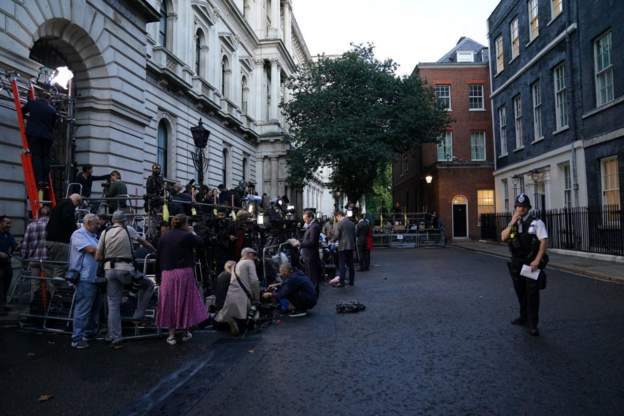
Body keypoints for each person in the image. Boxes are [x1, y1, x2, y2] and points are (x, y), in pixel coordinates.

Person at [96, 211, 155, 345]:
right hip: (126, 270)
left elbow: (98, 256)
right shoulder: (128, 229)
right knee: (148, 285)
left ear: (112, 221)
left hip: (109, 271)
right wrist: (155, 251)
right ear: (124, 221)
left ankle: (115, 336)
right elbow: (145, 244)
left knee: (113, 305)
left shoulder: (105, 232)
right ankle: (138, 314)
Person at [501, 193, 549, 337]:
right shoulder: (514, 223)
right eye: (518, 206)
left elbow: (544, 241)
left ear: (528, 208)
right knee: (520, 291)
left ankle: (533, 324)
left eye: (523, 206)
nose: (520, 209)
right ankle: (523, 317)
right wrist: (512, 222)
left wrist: (537, 260)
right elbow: (503, 237)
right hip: (517, 263)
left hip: (530, 263)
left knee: (532, 294)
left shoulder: (536, 223)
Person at [156, 214, 208, 345]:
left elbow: (158, 257)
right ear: (185, 223)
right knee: (185, 301)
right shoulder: (187, 235)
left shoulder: (164, 237)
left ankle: (171, 335)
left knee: (170, 303)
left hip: (167, 273)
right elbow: (201, 243)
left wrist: (158, 276)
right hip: (184, 272)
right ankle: (185, 331)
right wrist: (192, 232)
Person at [68, 214, 102, 349]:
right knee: (82, 308)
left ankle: (88, 334)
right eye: (96, 224)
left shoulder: (93, 236)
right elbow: (91, 250)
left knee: (94, 308)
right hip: (84, 277)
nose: (98, 226)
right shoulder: (78, 234)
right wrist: (104, 251)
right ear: (88, 223)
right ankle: (77, 338)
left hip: (94, 277)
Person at [215, 248, 260, 336]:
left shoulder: (236, 265)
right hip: (243, 299)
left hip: (230, 299)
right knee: (253, 317)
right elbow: (254, 281)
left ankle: (231, 321)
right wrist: (257, 297)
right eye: (253, 254)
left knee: (236, 319)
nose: (255, 257)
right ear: (247, 254)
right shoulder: (249, 262)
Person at [22, 92, 58, 188]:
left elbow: (21, 111)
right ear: (48, 99)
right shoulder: (52, 110)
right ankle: (45, 180)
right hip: (47, 137)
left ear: (38, 97)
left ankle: (39, 179)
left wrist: (29, 118)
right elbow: (54, 125)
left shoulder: (33, 103)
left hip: (34, 134)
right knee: (45, 157)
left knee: (36, 156)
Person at [46, 194, 82, 278]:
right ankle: (57, 285)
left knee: (50, 267)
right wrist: (75, 227)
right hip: (61, 241)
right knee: (60, 266)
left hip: (49, 240)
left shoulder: (60, 204)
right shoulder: (69, 204)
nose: (76, 207)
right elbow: (67, 218)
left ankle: (51, 286)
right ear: (77, 201)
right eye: (77, 205)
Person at [20, 206, 51, 297]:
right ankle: (52, 303)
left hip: (34, 259)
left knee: (34, 284)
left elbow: (25, 243)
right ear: (50, 214)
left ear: (39, 214)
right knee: (50, 283)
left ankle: (35, 303)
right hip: (49, 259)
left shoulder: (31, 225)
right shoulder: (52, 225)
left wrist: (24, 257)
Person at [298, 210, 322, 296]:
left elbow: (312, 242)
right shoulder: (312, 226)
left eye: (306, 219)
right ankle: (312, 292)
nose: (305, 221)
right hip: (309, 255)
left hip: (311, 255)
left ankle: (313, 293)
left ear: (310, 217)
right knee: (310, 274)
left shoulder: (314, 226)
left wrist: (300, 244)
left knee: (312, 275)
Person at [332, 210, 356, 287]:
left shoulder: (339, 224)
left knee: (342, 265)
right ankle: (351, 281)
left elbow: (336, 235)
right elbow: (354, 235)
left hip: (342, 247)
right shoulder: (352, 223)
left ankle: (341, 282)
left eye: (336, 217)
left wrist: (332, 240)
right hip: (351, 246)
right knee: (351, 264)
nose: (337, 219)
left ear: (339, 216)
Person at [0, 216, 17, 315]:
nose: (9, 225)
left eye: (10, 223)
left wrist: (19, 247)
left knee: (6, 283)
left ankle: (3, 304)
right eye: (7, 223)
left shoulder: (8, 235)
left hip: (6, 263)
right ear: (1, 223)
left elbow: (14, 245)